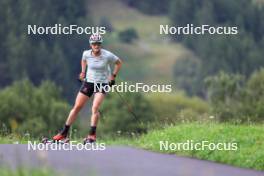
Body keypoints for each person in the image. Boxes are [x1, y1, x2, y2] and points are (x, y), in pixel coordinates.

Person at [52, 33, 122, 143]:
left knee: (95, 107)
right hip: (88, 82)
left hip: (102, 84)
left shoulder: (107, 55)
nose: (96, 46)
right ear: (91, 45)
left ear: (101, 44)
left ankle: (92, 135)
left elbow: (118, 63)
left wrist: (113, 76)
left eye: (98, 44)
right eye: (94, 44)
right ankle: (63, 133)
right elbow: (83, 60)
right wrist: (83, 72)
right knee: (77, 107)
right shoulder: (86, 54)